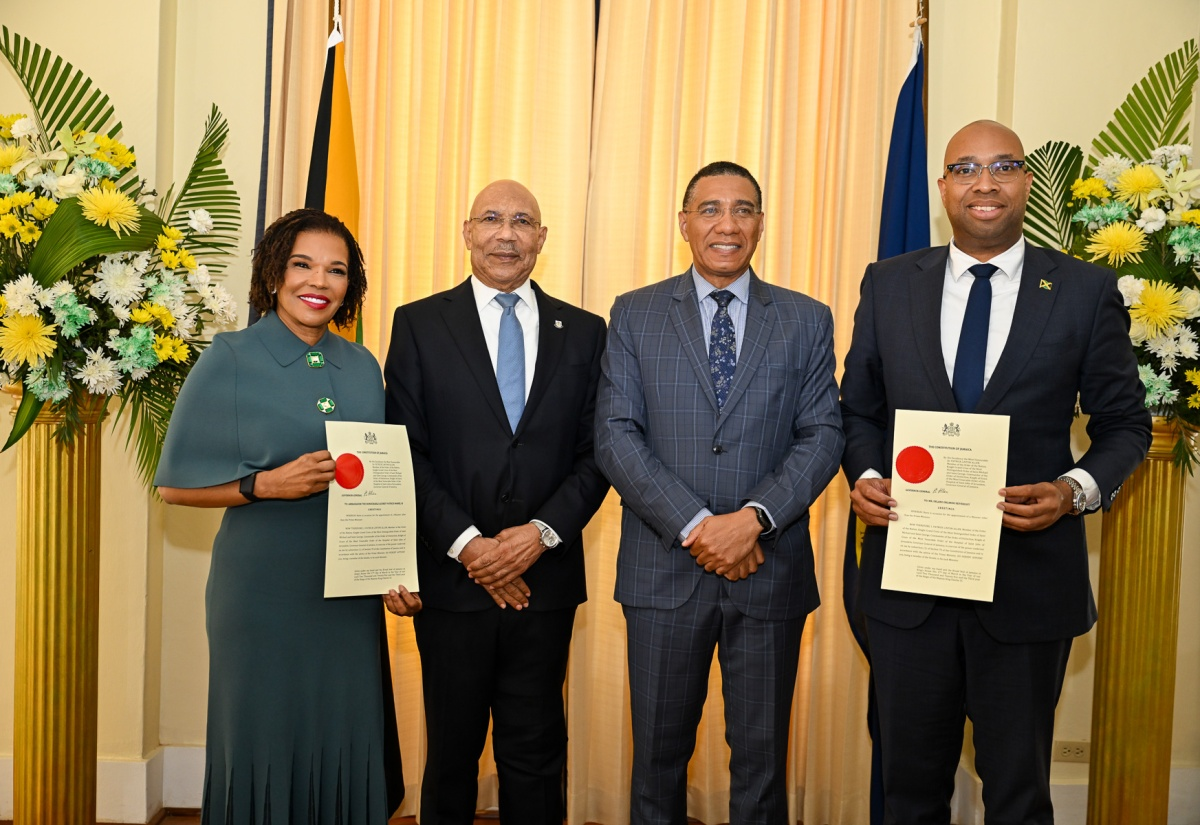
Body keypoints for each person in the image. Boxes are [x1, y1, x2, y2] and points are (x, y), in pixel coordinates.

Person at [840, 120, 1152, 824]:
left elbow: (1126, 425)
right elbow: (856, 409)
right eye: (967, 168)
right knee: (909, 792)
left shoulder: (1082, 290)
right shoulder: (889, 284)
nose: (985, 183)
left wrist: (1074, 491)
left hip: (1028, 587)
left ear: (1026, 182)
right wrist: (863, 473)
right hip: (909, 586)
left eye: (1004, 165)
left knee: (1017, 793)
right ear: (943, 185)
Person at [595, 161, 844, 824]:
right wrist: (702, 524)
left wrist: (754, 520)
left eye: (743, 209)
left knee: (761, 764)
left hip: (770, 575)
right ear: (684, 223)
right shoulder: (635, 313)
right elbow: (616, 436)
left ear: (761, 223)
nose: (727, 224)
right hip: (663, 572)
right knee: (656, 759)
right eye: (710, 209)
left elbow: (823, 435)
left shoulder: (805, 318)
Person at [155, 208, 420, 824]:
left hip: (347, 601)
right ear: (273, 273)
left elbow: (375, 482)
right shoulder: (231, 357)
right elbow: (173, 487)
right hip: (261, 596)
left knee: (344, 740)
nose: (318, 282)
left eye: (336, 270)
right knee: (264, 740)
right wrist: (262, 485)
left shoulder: (362, 366)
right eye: (303, 264)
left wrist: (391, 571)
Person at [383, 179, 609, 825]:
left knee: (537, 754)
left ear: (542, 238)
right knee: (451, 756)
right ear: (467, 231)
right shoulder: (420, 324)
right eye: (491, 218)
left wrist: (538, 534)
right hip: (453, 583)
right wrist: (472, 546)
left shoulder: (586, 332)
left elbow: (599, 454)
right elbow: (405, 451)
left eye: (522, 221)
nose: (505, 233)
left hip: (546, 582)